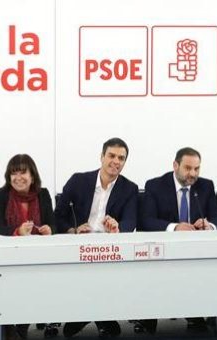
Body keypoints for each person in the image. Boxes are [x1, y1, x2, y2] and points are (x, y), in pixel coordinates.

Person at [54, 138, 138, 338]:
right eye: (111, 156)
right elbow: (57, 216)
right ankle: (100, 318)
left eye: (121, 158)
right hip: (78, 243)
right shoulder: (78, 181)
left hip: (109, 246)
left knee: (104, 266)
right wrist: (73, 230)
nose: (116, 161)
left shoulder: (129, 188)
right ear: (101, 156)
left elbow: (130, 221)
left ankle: (87, 316)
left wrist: (118, 229)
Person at [138, 147, 217, 334]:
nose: (192, 174)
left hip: (194, 251)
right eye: (188, 168)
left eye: (197, 169)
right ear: (175, 165)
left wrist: (209, 226)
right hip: (163, 249)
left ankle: (194, 312)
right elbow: (145, 220)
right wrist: (175, 227)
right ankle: (149, 314)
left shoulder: (205, 186)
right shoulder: (155, 185)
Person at [0, 154, 56, 339]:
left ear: (32, 176)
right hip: (8, 256)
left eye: (23, 172)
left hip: (38, 255)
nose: (18, 177)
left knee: (33, 280)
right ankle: (11, 324)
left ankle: (21, 325)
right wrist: (18, 232)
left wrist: (49, 229)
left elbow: (54, 224)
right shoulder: (1, 195)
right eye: (14, 173)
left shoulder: (43, 195)